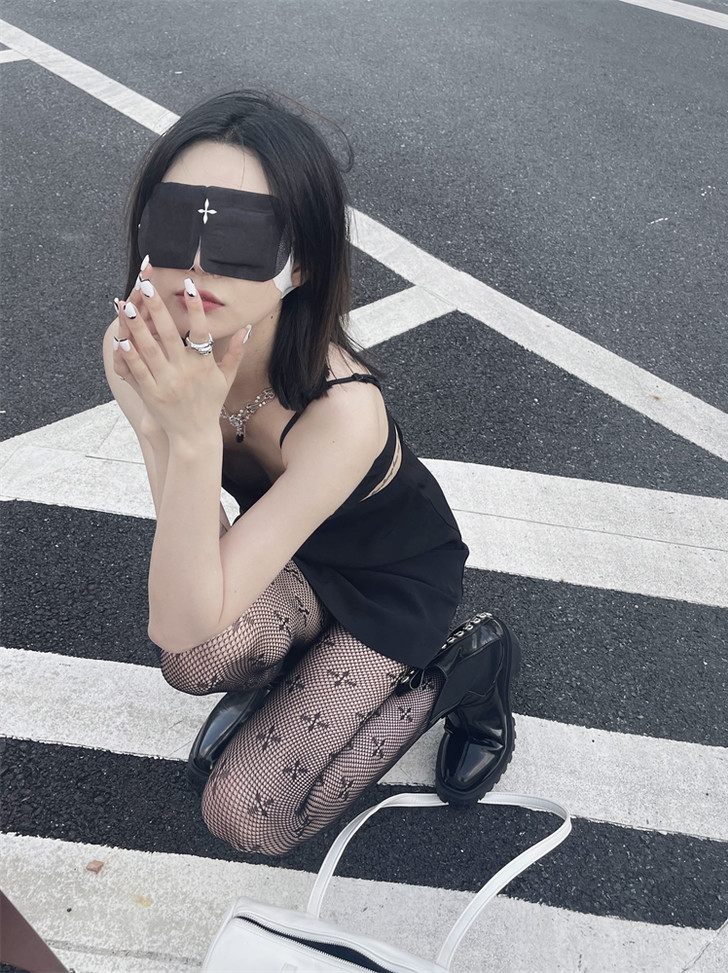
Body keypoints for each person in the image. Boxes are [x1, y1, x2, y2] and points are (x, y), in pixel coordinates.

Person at [103, 90, 520, 858]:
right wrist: (178, 431)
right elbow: (183, 613)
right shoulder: (141, 357)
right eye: (176, 224)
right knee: (196, 656)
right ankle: (305, 673)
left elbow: (187, 600)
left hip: (390, 579)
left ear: (301, 264)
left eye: (242, 235)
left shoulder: (342, 411)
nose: (197, 266)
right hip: (292, 554)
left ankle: (466, 668)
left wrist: (192, 436)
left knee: (247, 815)